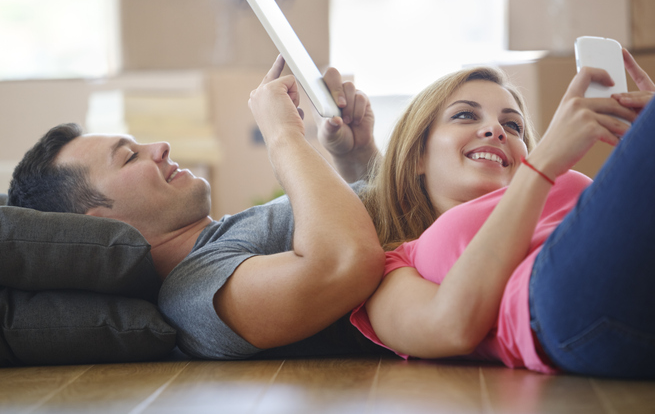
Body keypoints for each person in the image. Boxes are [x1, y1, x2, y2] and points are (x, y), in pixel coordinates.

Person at [348, 13, 655, 379]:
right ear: (417, 156)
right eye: (465, 116)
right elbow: (450, 327)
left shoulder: (541, 185)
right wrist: (542, 165)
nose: (495, 130)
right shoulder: (394, 268)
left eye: (513, 125)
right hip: (562, 304)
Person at [7, 56, 388, 360]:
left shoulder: (226, 233)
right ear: (102, 224)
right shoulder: (194, 294)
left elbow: (381, 222)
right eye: (129, 158)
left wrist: (356, 157)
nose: (161, 147)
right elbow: (343, 265)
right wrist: (283, 136)